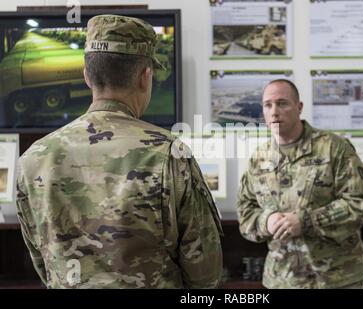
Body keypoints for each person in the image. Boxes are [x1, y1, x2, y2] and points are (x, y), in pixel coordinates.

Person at [15, 15, 223, 289]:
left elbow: (42, 261)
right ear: (145, 77)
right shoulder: (169, 154)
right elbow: (205, 272)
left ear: (87, 76)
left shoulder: (33, 159)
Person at [237, 79, 363, 289]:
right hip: (282, 279)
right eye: (268, 105)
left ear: (299, 107)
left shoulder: (334, 148)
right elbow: (245, 211)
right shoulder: (259, 158)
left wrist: (307, 221)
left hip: (337, 278)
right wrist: (267, 221)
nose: (274, 112)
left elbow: (361, 203)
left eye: (282, 103)